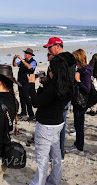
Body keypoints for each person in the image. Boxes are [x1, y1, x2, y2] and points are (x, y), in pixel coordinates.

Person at [28, 53, 75, 185]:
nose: (49, 71)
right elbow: (49, 98)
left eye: (50, 69)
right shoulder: (66, 85)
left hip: (46, 125)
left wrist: (31, 85)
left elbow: (36, 102)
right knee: (56, 156)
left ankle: (38, 183)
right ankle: (54, 180)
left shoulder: (54, 88)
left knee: (42, 159)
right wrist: (45, 83)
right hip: (57, 123)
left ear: (54, 72)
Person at [42, 37, 75, 160]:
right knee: (61, 125)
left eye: (50, 47)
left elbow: (57, 81)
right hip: (67, 95)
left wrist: (47, 81)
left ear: (57, 46)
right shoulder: (70, 59)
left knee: (55, 127)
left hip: (58, 96)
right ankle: (59, 154)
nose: (49, 50)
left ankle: (56, 155)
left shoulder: (58, 61)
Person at [67, 49, 93, 155]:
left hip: (82, 102)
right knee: (77, 124)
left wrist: (78, 80)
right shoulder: (82, 69)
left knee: (79, 125)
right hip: (78, 101)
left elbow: (87, 89)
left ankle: (79, 147)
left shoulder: (85, 71)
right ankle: (77, 144)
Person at [13, 48, 37, 121]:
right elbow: (14, 65)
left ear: (30, 55)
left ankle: (31, 114)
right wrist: (14, 59)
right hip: (20, 80)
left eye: (26, 53)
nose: (25, 54)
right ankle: (23, 112)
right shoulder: (23, 61)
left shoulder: (33, 62)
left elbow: (30, 67)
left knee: (27, 98)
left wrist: (22, 60)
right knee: (21, 97)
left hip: (27, 82)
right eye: (25, 53)